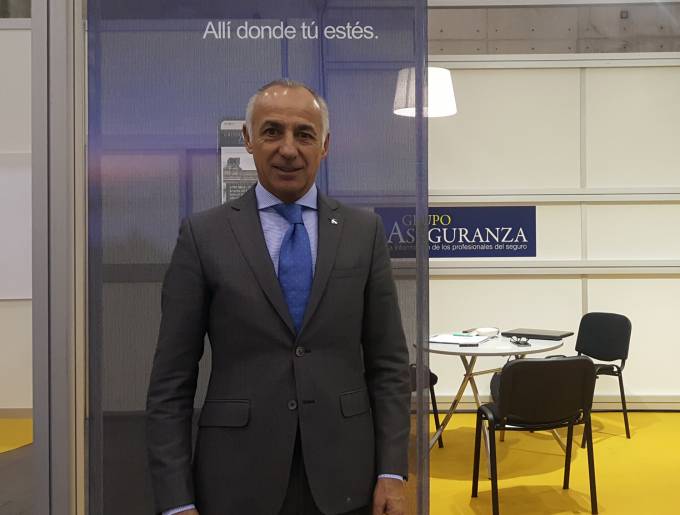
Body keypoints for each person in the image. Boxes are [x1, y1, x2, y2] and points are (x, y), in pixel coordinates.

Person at [146, 79, 410, 515]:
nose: (288, 149)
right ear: (248, 140)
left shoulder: (364, 233)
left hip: (347, 477)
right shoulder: (203, 236)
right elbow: (171, 383)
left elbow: (390, 367)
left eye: (304, 134)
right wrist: (176, 502)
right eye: (272, 131)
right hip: (236, 480)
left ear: (325, 145)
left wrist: (392, 472)